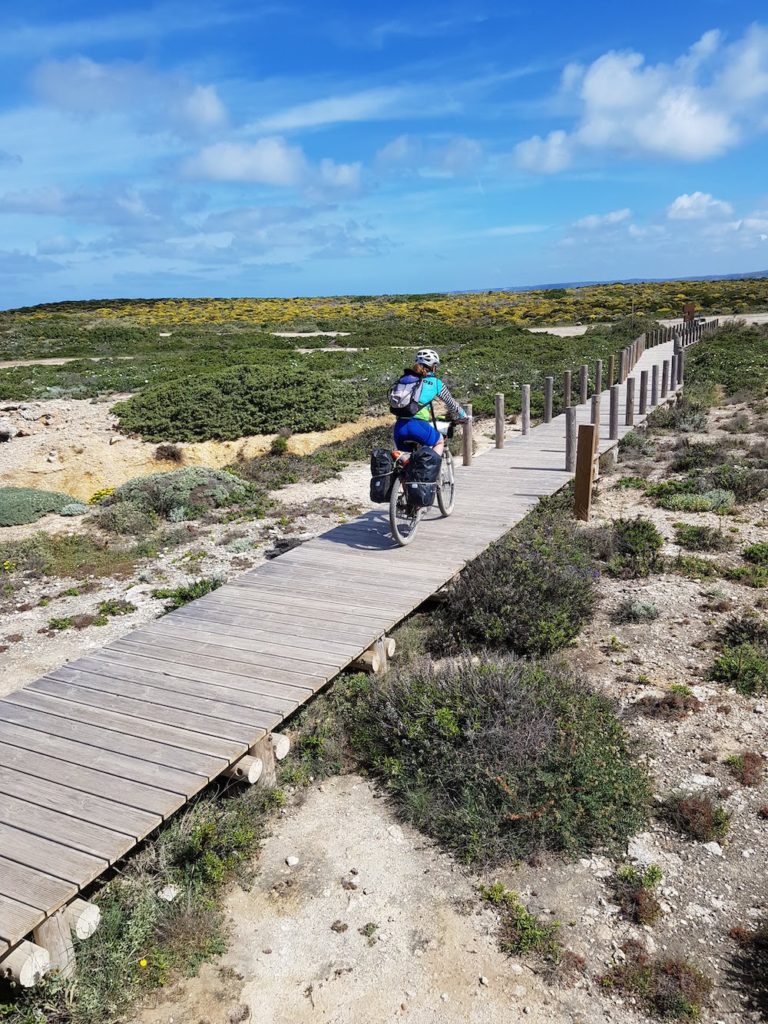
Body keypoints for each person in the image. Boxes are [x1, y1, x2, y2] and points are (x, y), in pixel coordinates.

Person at [390, 348, 467, 460]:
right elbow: (451, 403)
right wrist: (463, 416)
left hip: (399, 427)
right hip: (418, 426)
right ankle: (431, 468)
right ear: (432, 366)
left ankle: (402, 476)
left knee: (406, 464)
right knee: (439, 441)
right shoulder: (436, 383)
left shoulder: (405, 379)